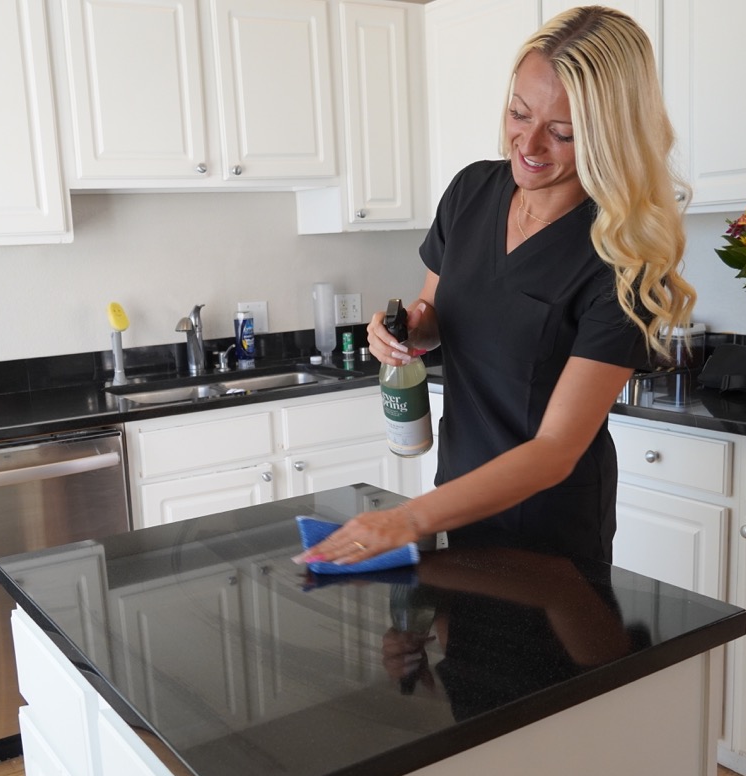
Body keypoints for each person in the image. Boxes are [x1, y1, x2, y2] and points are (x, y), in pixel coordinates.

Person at [295, 6, 695, 568]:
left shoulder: (621, 258)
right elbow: (435, 310)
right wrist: (404, 331)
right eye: (518, 113)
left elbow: (556, 452)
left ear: (610, 137)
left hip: (548, 529)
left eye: (562, 133)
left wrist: (406, 519)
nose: (528, 144)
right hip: (456, 497)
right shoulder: (471, 192)